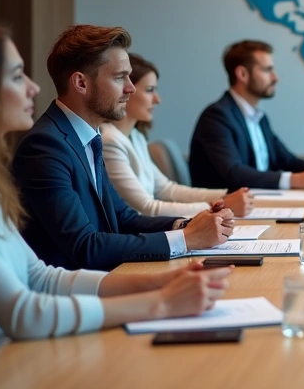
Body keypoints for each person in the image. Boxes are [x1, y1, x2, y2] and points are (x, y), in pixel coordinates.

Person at [0, 20, 230, 386]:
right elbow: (22, 313)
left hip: (10, 368)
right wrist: (161, 302)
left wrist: (160, 282)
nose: (33, 87)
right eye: (18, 76)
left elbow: (41, 278)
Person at [13, 25, 233, 271]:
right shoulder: (45, 146)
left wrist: (187, 225)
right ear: (81, 83)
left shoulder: (87, 135)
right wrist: (187, 238)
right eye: (119, 77)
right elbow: (85, 246)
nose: (130, 88)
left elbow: (123, 218)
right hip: (78, 289)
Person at [101, 53, 251, 218]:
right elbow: (147, 208)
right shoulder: (109, 141)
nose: (157, 99)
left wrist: (226, 195)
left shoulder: (136, 137)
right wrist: (219, 206)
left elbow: (166, 189)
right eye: (150, 90)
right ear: (126, 91)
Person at [189, 40, 304, 190]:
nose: (275, 78)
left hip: (261, 200)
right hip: (228, 204)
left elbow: (288, 161)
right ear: (243, 74)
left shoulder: (260, 118)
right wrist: (295, 180)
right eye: (267, 70)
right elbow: (234, 173)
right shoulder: (217, 117)